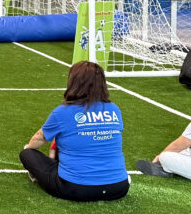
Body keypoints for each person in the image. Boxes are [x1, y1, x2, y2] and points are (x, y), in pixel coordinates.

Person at [19, 61, 129, 202]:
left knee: (27, 154)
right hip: (119, 188)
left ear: (74, 82)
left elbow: (39, 138)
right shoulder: (114, 109)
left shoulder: (63, 112)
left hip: (76, 188)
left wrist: (29, 150)